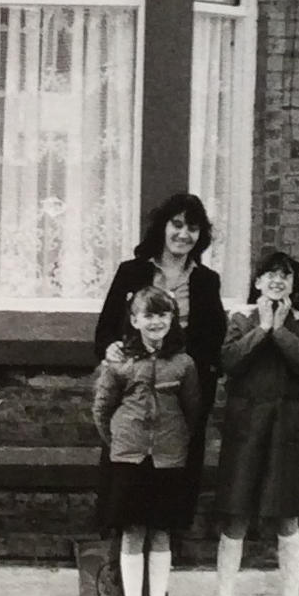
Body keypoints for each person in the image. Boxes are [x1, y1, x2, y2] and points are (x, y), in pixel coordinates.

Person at [201, 247, 299, 596]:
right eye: (269, 274)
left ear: (292, 284)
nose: (277, 280)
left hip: (284, 431)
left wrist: (281, 329)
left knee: (287, 518)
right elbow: (229, 361)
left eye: (285, 275)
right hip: (245, 431)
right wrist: (263, 329)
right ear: (256, 282)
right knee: (235, 518)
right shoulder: (239, 317)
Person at [93, 191, 228, 521]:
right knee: (126, 475)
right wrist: (110, 347)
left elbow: (214, 338)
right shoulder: (132, 272)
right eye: (177, 224)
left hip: (180, 388)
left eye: (193, 228)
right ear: (163, 227)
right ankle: (123, 554)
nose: (184, 234)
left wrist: (191, 371)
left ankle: (163, 551)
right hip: (134, 387)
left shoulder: (206, 281)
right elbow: (107, 327)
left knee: (175, 474)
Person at [92, 287, 202, 596]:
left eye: (163, 315)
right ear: (135, 320)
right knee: (132, 534)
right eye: (148, 315)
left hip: (168, 459)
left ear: (173, 321)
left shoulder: (184, 364)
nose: (156, 322)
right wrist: (121, 446)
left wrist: (175, 445)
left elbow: (193, 410)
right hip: (129, 459)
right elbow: (102, 410)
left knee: (160, 534)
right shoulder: (119, 361)